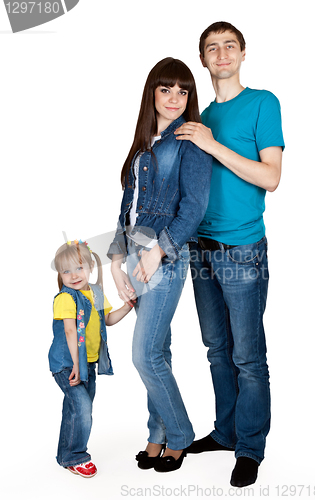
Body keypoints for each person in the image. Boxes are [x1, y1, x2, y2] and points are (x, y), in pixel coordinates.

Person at [175, 22, 285, 487]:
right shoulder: (195, 116)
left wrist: (210, 144)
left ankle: (250, 448)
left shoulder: (262, 103)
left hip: (242, 249)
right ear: (202, 59)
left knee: (248, 357)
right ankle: (225, 432)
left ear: (242, 54)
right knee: (217, 350)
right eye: (212, 48)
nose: (221, 54)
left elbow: (271, 177)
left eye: (229, 46)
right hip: (200, 247)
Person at [108, 57, 212, 473]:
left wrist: (158, 250)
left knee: (144, 353)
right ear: (152, 92)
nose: (174, 99)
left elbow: (194, 207)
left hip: (164, 257)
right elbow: (127, 207)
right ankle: (157, 433)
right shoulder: (143, 142)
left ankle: (180, 435)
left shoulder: (191, 141)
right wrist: (117, 262)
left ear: (190, 97)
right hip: (134, 254)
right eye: (166, 89)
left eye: (182, 91)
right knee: (160, 350)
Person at [49, 240, 132, 478]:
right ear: (59, 274)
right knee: (82, 407)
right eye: (66, 271)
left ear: (90, 267)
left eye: (79, 268)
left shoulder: (96, 293)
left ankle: (65, 455)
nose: (74, 275)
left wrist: (126, 307)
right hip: (68, 364)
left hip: (89, 363)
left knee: (75, 409)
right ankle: (77, 456)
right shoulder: (65, 298)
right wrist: (76, 364)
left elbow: (108, 320)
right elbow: (70, 331)